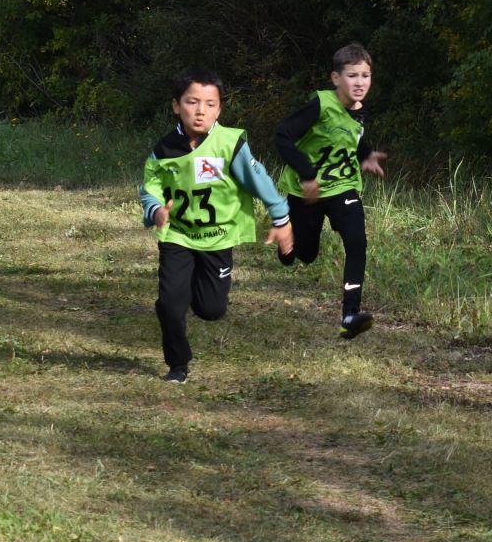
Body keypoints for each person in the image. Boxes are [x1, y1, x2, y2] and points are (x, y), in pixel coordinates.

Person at [140, 69, 294, 383]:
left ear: (219, 109)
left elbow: (259, 180)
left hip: (217, 239)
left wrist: (281, 217)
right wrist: (155, 210)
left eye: (210, 104)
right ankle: (178, 365)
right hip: (178, 236)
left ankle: (197, 287)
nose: (200, 111)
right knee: (170, 304)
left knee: (211, 309)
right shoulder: (163, 150)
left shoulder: (230, 144)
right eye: (192, 102)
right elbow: (150, 187)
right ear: (176, 105)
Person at [275, 42, 388, 339]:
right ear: (336, 78)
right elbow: (283, 137)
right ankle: (286, 243)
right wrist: (308, 175)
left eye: (365, 76)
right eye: (352, 76)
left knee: (357, 241)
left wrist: (365, 155)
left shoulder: (360, 109)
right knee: (306, 254)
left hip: (343, 187)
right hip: (307, 192)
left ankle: (350, 315)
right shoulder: (320, 105)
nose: (360, 83)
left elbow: (350, 134)